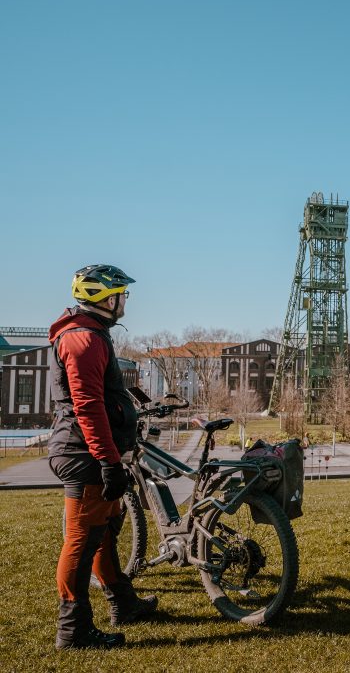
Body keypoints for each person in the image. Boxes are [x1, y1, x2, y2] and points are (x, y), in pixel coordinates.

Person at [48, 264, 158, 650]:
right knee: (81, 540)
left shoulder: (93, 335)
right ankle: (73, 630)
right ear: (105, 298)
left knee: (104, 534)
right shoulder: (84, 340)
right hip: (84, 454)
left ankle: (122, 603)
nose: (126, 300)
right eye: (122, 293)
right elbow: (88, 406)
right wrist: (109, 461)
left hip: (94, 452)